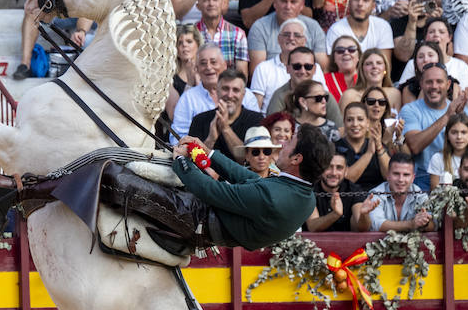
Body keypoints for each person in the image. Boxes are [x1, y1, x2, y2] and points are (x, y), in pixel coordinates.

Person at [154, 123, 327, 249]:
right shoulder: (306, 197)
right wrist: (208, 152)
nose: (282, 145)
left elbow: (212, 191)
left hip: (198, 217)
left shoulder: (271, 196)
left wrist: (181, 160)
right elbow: (250, 178)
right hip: (215, 226)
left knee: (132, 185)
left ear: (296, 159)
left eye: (290, 143)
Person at [187, 66, 262, 160]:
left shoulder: (255, 120)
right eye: (225, 89)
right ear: (217, 91)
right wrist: (211, 138)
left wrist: (225, 128)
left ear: (243, 94)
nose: (230, 95)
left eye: (236, 90)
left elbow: (247, 160)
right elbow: (193, 161)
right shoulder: (200, 120)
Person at [351, 150, 432, 231]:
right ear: (388, 175)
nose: (401, 179)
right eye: (396, 174)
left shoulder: (420, 194)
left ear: (413, 178)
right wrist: (411, 224)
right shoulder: (376, 193)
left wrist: (425, 222)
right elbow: (376, 224)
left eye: (406, 175)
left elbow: (433, 225)